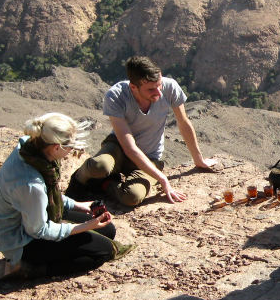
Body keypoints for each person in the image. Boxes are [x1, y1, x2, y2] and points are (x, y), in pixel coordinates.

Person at [0, 113, 134, 280]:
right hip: (22, 241)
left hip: (33, 214)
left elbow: (45, 196)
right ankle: (28, 268)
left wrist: (77, 205)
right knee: (103, 251)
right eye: (70, 146)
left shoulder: (31, 147)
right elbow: (39, 230)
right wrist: (84, 227)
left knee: (107, 230)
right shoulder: (30, 184)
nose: (72, 150)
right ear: (56, 147)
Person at [69, 56, 218, 206]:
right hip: (119, 149)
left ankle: (105, 184)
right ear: (133, 87)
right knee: (99, 166)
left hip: (150, 155)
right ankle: (79, 179)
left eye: (159, 85)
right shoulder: (116, 96)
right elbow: (129, 147)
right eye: (151, 89)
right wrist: (163, 179)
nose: (158, 93)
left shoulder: (170, 87)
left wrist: (199, 160)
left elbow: (183, 123)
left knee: (132, 197)